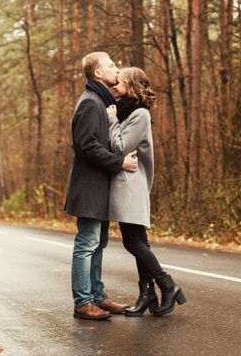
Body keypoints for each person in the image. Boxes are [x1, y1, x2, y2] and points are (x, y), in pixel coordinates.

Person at [106, 67, 186, 317]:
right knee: (139, 242)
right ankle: (147, 293)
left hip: (131, 184)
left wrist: (110, 120)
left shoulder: (138, 114)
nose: (114, 84)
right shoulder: (128, 111)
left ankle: (168, 285)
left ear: (132, 86)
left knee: (133, 242)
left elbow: (120, 147)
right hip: (128, 184)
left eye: (119, 81)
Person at [65, 52, 139, 320]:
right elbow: (85, 146)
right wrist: (119, 162)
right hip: (89, 187)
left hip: (100, 186)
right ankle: (83, 303)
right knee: (87, 243)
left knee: (99, 243)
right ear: (97, 74)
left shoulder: (100, 101)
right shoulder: (89, 103)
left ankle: (97, 297)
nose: (116, 68)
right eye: (110, 65)